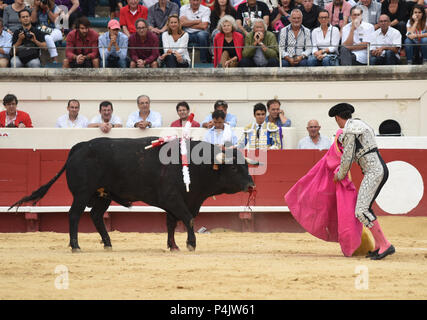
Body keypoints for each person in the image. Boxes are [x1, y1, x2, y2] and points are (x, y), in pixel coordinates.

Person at [285, 127, 371, 257]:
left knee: (346, 210)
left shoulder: (342, 138)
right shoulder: (345, 137)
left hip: (339, 178)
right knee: (348, 210)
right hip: (341, 179)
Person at [329, 102, 395, 260]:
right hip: (376, 170)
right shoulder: (359, 124)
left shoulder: (351, 129)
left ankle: (385, 244)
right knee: (365, 209)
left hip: (374, 172)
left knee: (361, 211)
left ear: (338, 118)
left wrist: (340, 174)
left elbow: (348, 156)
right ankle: (379, 245)